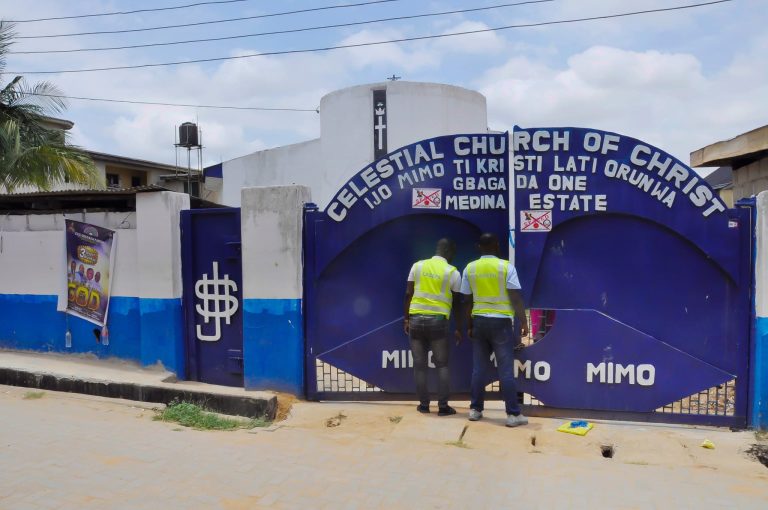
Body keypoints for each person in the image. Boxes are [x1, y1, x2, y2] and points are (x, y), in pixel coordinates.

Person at [461, 233, 530, 427]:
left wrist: (469, 325)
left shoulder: (470, 268)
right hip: (501, 324)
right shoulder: (506, 267)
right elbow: (515, 297)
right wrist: (523, 322)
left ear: (479, 247)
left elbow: (466, 300)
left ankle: (475, 410)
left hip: (480, 322)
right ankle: (512, 415)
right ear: (497, 245)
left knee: (478, 369)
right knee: (506, 370)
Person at [403, 238, 462, 416]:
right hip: (438, 322)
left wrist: (406, 318)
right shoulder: (452, 272)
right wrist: (459, 327)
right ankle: (443, 407)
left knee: (419, 366)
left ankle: (423, 406)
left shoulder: (418, 266)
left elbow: (408, 293)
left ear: (437, 249)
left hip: (415, 320)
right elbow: (458, 303)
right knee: (442, 365)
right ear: (449, 252)